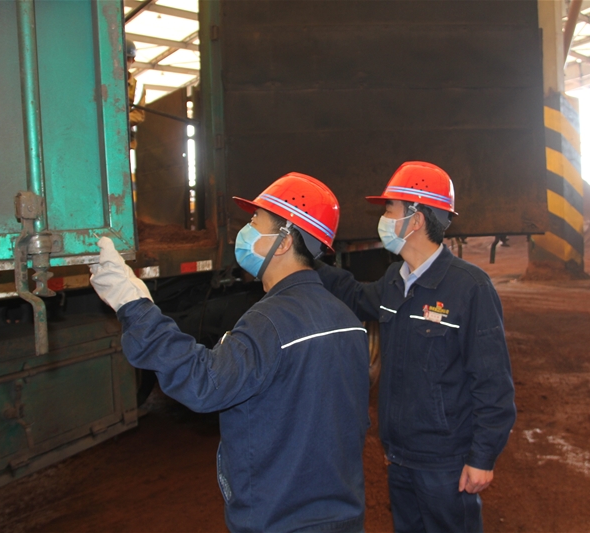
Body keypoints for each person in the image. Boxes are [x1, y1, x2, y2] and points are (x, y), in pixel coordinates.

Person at [90, 172, 371, 533]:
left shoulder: (269, 321)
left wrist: (132, 304)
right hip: (342, 518)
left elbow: (203, 383)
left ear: (284, 242)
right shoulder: (347, 319)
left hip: (280, 521)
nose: (246, 230)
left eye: (256, 221)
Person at [315, 161, 516, 533]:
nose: (383, 219)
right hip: (400, 456)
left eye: (390, 210)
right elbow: (355, 296)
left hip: (446, 463)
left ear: (416, 220)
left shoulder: (470, 288)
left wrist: (482, 458)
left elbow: (493, 383)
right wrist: (305, 260)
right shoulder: (396, 279)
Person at [126, 40, 145, 150]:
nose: (124, 62)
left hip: (125, 141)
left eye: (127, 58)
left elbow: (138, 114)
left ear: (133, 60)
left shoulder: (138, 88)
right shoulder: (102, 82)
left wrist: (120, 119)